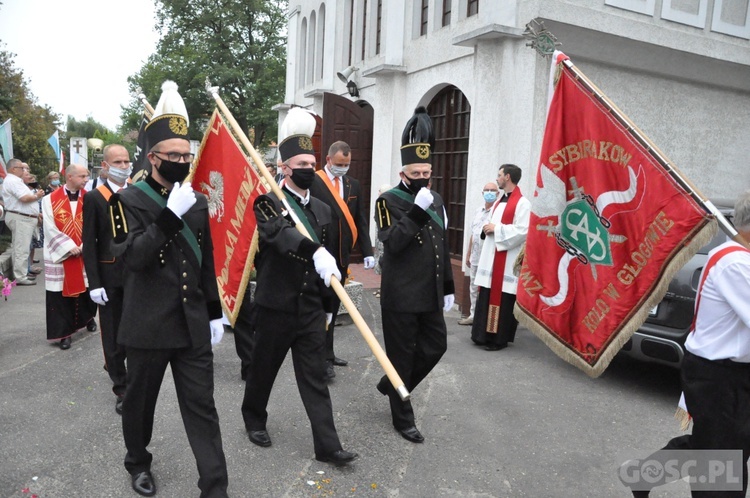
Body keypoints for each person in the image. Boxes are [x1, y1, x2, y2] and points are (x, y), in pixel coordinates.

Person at [109, 81, 228, 497]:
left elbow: (205, 262)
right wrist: (167, 219)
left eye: (186, 155)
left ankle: (215, 486)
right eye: (173, 155)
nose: (181, 161)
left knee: (202, 408)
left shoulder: (194, 200)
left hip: (191, 322)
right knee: (140, 405)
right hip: (147, 325)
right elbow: (133, 258)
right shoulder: (125, 202)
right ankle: (137, 462)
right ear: (153, 157)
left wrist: (215, 311)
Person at [239, 107, 358, 466]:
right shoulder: (268, 202)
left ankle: (328, 446)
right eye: (301, 163)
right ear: (285, 168)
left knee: (315, 378)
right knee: (263, 370)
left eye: (311, 162)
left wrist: (326, 303)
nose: (308, 168)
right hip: (276, 306)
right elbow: (278, 236)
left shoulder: (322, 209)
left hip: (308, 308)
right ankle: (254, 418)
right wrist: (314, 249)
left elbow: (326, 263)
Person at [626, 192, 750, 498]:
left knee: (714, 447)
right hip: (720, 377)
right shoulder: (736, 263)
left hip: (729, 375)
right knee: (720, 467)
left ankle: (644, 475)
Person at [374, 107, 454, 444]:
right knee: (402, 356)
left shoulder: (434, 198)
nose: (423, 177)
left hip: (431, 293)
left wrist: (448, 286)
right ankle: (403, 417)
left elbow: (441, 243)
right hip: (402, 295)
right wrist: (417, 212)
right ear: (403, 173)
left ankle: (391, 383)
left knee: (436, 346)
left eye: (427, 171)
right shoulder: (387, 200)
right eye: (416, 171)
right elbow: (392, 244)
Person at [309, 140, 375, 380]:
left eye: (347, 164)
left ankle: (329, 352)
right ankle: (320, 358)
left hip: (342, 257)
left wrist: (367, 251)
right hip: (320, 256)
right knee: (320, 308)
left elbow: (360, 220)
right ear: (328, 160)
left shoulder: (352, 184)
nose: (343, 168)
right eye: (339, 164)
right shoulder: (314, 182)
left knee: (334, 309)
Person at [82, 144, 131, 415]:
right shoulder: (94, 198)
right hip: (109, 276)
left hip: (136, 275)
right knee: (112, 334)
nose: (124, 166)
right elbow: (89, 243)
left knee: (135, 330)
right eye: (118, 162)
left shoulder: (135, 193)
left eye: (126, 161)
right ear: (105, 166)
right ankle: (120, 386)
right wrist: (95, 282)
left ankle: (134, 380)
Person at [470, 164, 530, 351]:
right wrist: (488, 227)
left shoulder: (523, 203)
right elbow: (490, 223)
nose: (497, 178)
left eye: (499, 175)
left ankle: (497, 339)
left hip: (505, 263)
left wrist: (497, 229)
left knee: (501, 299)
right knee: (486, 296)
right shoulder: (498, 201)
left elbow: (523, 230)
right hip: (490, 258)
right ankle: (481, 335)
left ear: (508, 177)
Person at [42, 163, 97, 350]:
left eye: (87, 176)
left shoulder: (91, 198)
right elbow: (48, 227)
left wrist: (83, 245)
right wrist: (68, 246)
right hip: (60, 254)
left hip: (83, 252)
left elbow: (94, 226)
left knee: (86, 291)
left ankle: (87, 318)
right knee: (60, 295)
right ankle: (64, 333)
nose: (86, 180)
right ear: (70, 177)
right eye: (82, 176)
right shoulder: (49, 199)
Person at [459, 182, 500, 326]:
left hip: (489, 256)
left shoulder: (497, 212)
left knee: (487, 286)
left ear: (498, 194)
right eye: (487, 190)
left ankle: (485, 317)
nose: (489, 192)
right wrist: (469, 252)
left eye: (492, 190)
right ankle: (473, 314)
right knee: (473, 284)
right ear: (482, 193)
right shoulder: (478, 211)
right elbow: (474, 233)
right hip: (476, 254)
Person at [3, 158, 44, 285]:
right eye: (22, 168)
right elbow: (24, 198)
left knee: (21, 247)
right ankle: (20, 276)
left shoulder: (14, 181)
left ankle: (21, 273)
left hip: (23, 217)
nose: (24, 170)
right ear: (13, 169)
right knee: (21, 248)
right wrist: (37, 196)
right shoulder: (13, 181)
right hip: (21, 218)